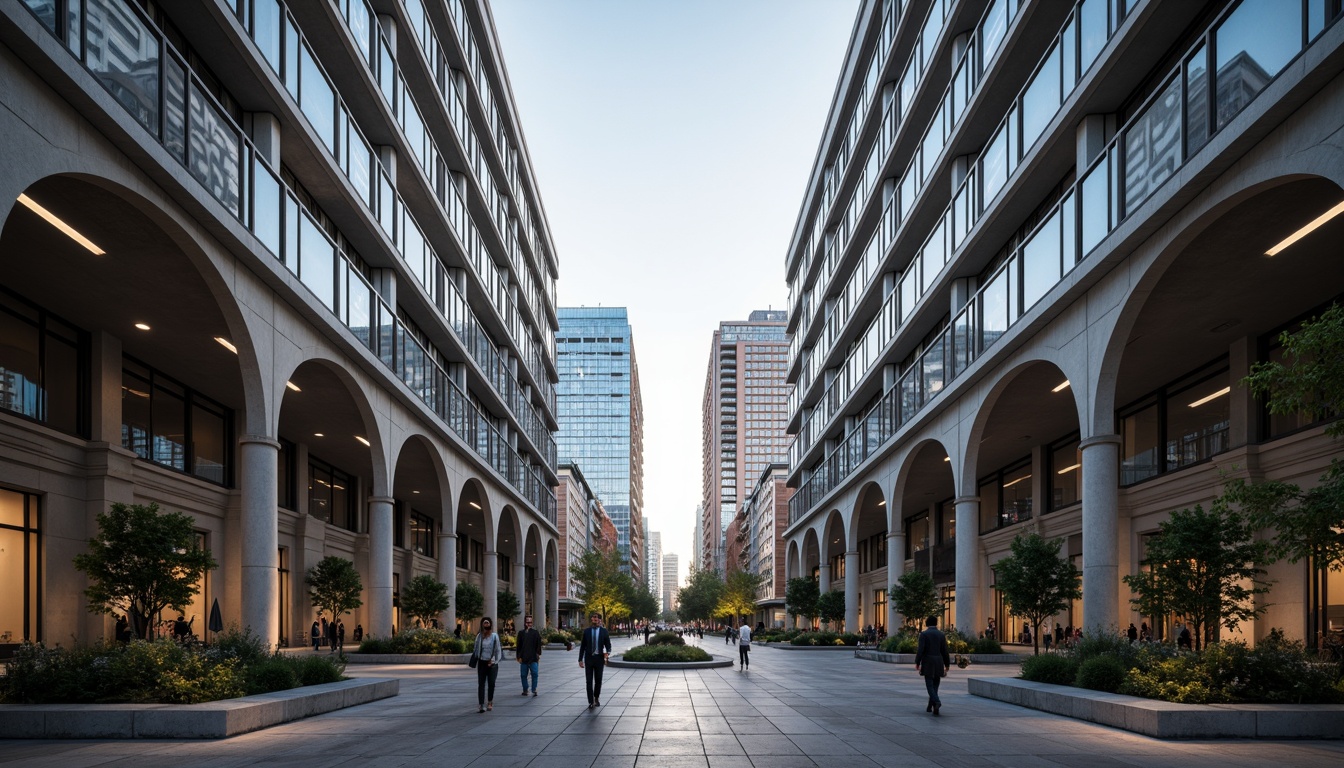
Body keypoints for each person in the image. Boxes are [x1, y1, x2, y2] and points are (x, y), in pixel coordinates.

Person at [914, 616, 951, 716]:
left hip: (928, 661)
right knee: (935, 685)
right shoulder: (941, 634)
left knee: (929, 685)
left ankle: (937, 702)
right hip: (939, 661)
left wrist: (917, 662)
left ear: (927, 623)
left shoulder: (924, 634)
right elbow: (945, 651)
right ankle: (931, 706)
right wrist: (947, 664)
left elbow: (920, 650)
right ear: (936, 623)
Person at [577, 612, 611, 709]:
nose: (595, 619)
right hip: (589, 659)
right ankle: (590, 701)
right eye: (593, 617)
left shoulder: (604, 631)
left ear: (600, 620)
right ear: (591, 619)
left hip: (599, 659)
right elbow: (582, 646)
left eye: (597, 618)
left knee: (598, 680)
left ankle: (596, 697)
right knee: (589, 681)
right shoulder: (587, 631)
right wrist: (580, 659)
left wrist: (607, 652)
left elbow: (608, 645)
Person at [474, 617, 502, 712]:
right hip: (482, 662)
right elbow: (476, 649)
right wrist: (478, 658)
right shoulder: (479, 636)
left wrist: (495, 661)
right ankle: (481, 704)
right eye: (484, 623)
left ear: (490, 624)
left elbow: (498, 650)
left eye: (487, 623)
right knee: (481, 684)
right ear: (482, 625)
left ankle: (490, 701)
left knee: (491, 683)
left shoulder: (494, 636)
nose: (486, 625)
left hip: (492, 663)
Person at [516, 614, 543, 697]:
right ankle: (525, 689)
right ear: (524, 623)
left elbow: (538, 644)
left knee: (535, 673)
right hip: (524, 658)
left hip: (533, 658)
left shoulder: (535, 633)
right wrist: (518, 656)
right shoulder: (521, 633)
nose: (529, 624)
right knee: (523, 675)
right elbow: (519, 645)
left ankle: (534, 688)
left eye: (530, 622)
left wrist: (538, 654)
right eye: (527, 622)